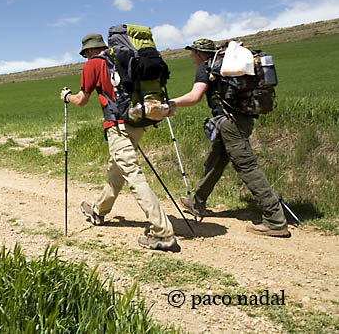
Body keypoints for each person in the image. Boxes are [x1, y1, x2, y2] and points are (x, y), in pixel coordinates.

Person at [60, 33, 179, 252]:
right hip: (137, 120)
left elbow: (82, 100)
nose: (86, 57)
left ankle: (163, 234)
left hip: (117, 126)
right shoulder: (122, 59)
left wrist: (67, 97)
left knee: (132, 174)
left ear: (88, 51)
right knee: (116, 168)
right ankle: (98, 211)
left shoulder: (93, 65)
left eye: (86, 54)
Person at [169, 39, 290, 237]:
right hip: (242, 119)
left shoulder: (206, 68)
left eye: (192, 53)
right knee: (215, 161)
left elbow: (195, 97)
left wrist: (170, 103)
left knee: (247, 167)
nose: (191, 56)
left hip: (229, 123)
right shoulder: (226, 64)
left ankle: (275, 220)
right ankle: (198, 203)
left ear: (200, 53)